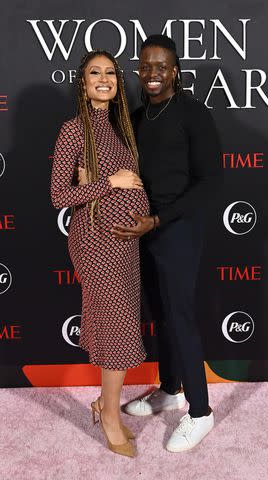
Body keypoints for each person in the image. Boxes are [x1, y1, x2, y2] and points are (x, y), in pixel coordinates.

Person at [111, 35, 222, 453]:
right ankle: (171, 388)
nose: (152, 74)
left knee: (179, 316)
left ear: (175, 71)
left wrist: (159, 218)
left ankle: (200, 412)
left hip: (177, 228)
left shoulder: (194, 114)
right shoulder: (138, 118)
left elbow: (211, 181)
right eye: (145, 66)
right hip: (144, 229)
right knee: (159, 312)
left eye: (161, 66)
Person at [51, 49, 150, 458]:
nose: (104, 79)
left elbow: (132, 181)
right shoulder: (73, 130)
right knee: (119, 328)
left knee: (117, 326)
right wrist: (108, 182)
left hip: (126, 244)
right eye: (95, 73)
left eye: (110, 72)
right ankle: (110, 416)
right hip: (94, 243)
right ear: (83, 82)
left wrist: (125, 187)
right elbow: (59, 195)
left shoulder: (121, 127)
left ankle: (103, 404)